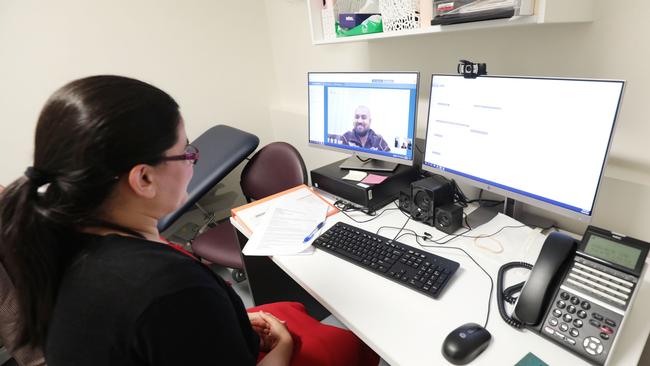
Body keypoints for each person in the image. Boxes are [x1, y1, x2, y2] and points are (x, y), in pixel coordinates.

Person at [0, 76, 378, 366]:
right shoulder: (167, 289)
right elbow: (167, 311)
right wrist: (283, 349)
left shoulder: (59, 241)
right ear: (143, 179)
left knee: (289, 309)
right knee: (356, 339)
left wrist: (223, 327)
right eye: (186, 152)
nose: (194, 161)